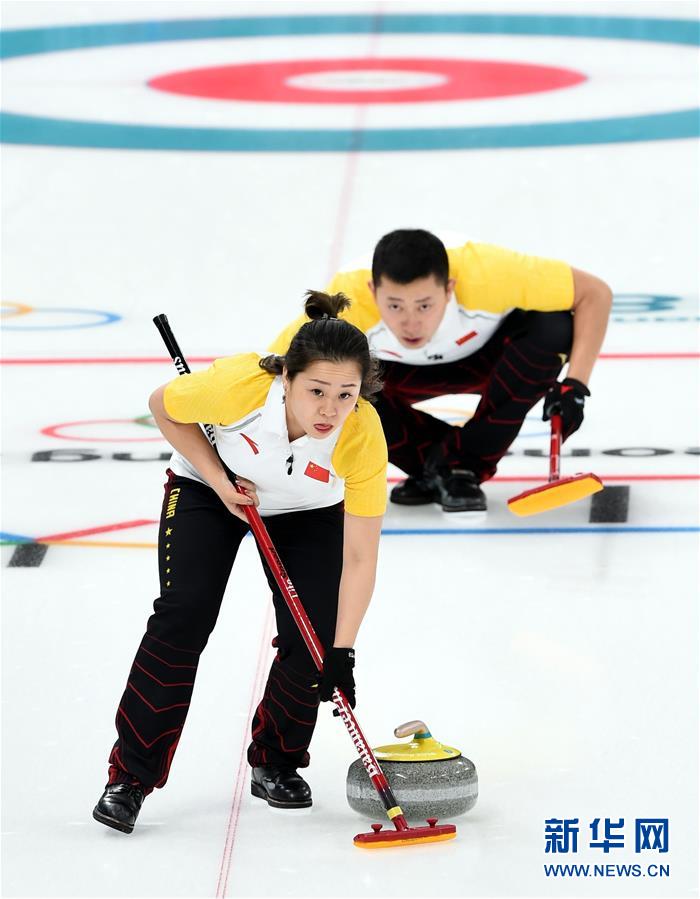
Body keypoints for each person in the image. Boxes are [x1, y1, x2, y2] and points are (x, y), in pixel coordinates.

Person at [93, 291, 387, 834]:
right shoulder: (238, 388)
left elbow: (361, 554)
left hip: (306, 510)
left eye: (345, 394)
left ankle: (276, 761)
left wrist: (341, 653)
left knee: (314, 639)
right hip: (209, 489)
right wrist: (219, 478)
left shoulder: (362, 434)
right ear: (287, 378)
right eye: (317, 391)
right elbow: (164, 404)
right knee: (184, 614)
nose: (330, 409)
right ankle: (129, 777)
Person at [270, 230, 612, 514]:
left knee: (553, 327)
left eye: (424, 305)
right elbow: (274, 365)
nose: (410, 322)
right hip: (388, 376)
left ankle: (447, 466)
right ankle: (446, 466)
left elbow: (594, 294)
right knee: (328, 378)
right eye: (394, 306)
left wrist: (576, 385)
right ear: (372, 292)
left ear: (449, 288)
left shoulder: (489, 272)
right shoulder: (346, 299)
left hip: (487, 362)